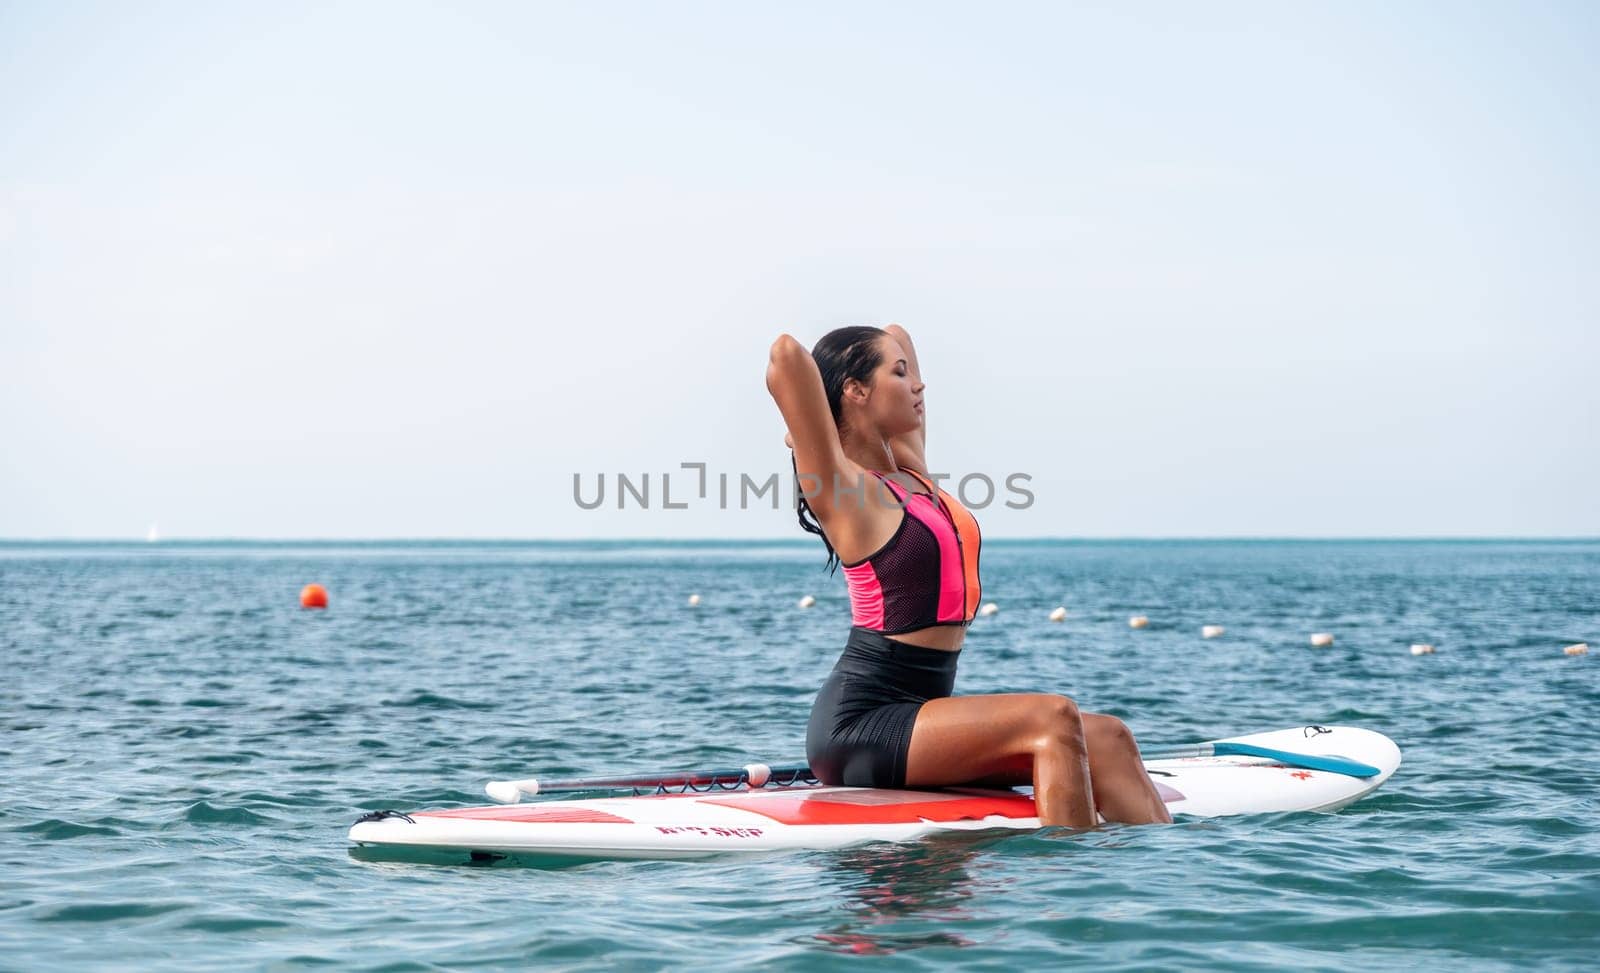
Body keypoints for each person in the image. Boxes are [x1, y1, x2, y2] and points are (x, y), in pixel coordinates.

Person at [766, 324, 1172, 828]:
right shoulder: (847, 493)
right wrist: (810, 430)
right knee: (1052, 718)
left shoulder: (911, 468)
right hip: (862, 721)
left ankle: (1169, 877)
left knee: (1110, 738)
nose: (918, 385)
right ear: (855, 390)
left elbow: (898, 333)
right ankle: (1072, 891)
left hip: (923, 708)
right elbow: (786, 357)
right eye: (899, 374)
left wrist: (873, 381)